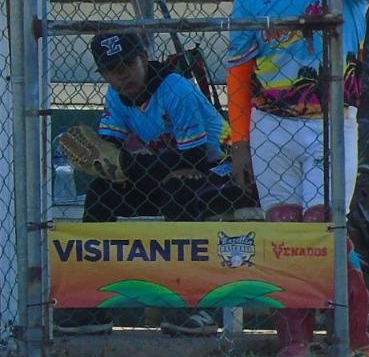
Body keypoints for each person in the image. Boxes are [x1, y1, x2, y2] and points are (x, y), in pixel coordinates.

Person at [226, 0, 369, 357]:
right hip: (271, 122)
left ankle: (354, 337)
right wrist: (239, 141)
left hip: (332, 121)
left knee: (324, 224)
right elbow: (239, 73)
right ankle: (294, 340)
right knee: (284, 228)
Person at [54, 30, 248, 336]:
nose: (122, 76)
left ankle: (189, 305)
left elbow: (194, 156)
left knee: (179, 190)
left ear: (143, 58)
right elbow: (110, 146)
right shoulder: (116, 95)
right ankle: (89, 305)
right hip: (169, 175)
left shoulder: (175, 88)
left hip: (221, 171)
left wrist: (127, 164)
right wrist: (104, 164)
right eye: (112, 70)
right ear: (103, 73)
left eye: (127, 64)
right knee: (102, 193)